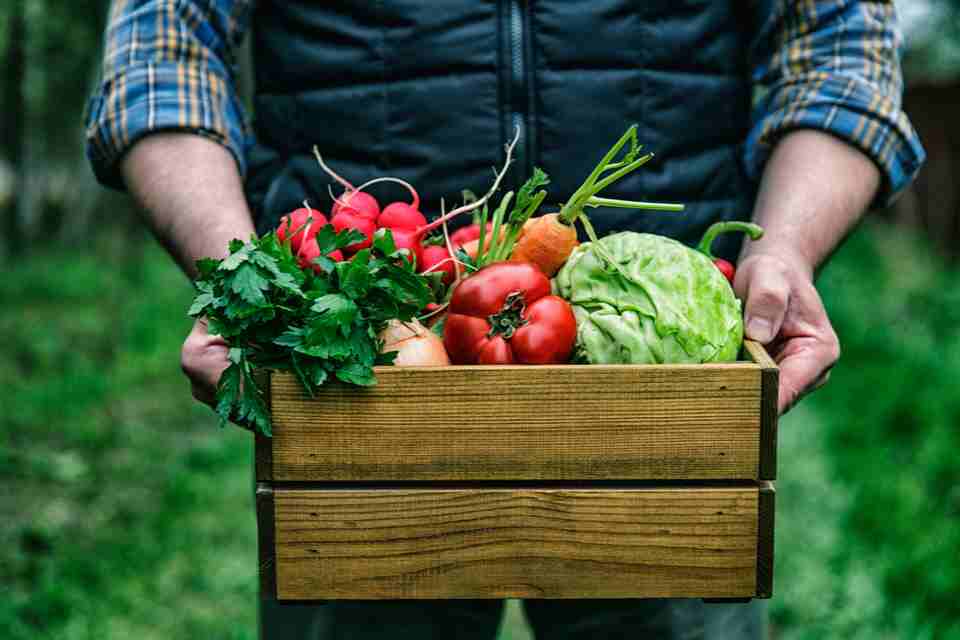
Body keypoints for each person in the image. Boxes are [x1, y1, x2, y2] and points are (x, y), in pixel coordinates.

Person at [86, 1, 924, 638]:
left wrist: (784, 249)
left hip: (658, 377)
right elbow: (163, 52)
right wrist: (249, 279)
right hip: (359, 369)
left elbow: (839, 54)